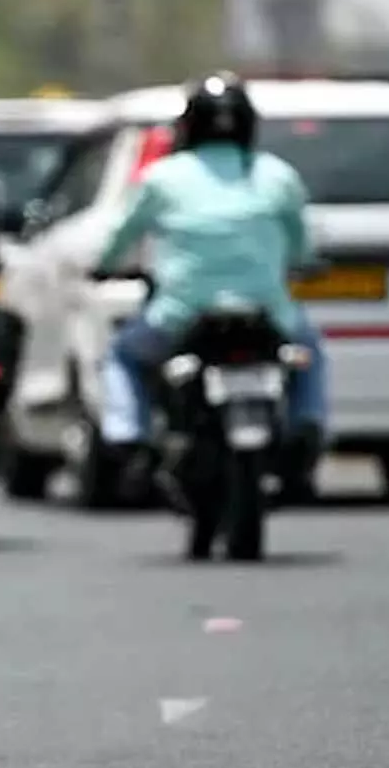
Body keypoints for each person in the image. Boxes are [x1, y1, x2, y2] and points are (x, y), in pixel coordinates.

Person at [93, 71, 327, 502]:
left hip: (180, 314)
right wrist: (304, 266)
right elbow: (302, 246)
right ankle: (306, 425)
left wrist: (102, 267)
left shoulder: (161, 178)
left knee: (124, 356)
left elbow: (121, 238)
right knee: (309, 352)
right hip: (268, 312)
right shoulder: (279, 176)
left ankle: (127, 433)